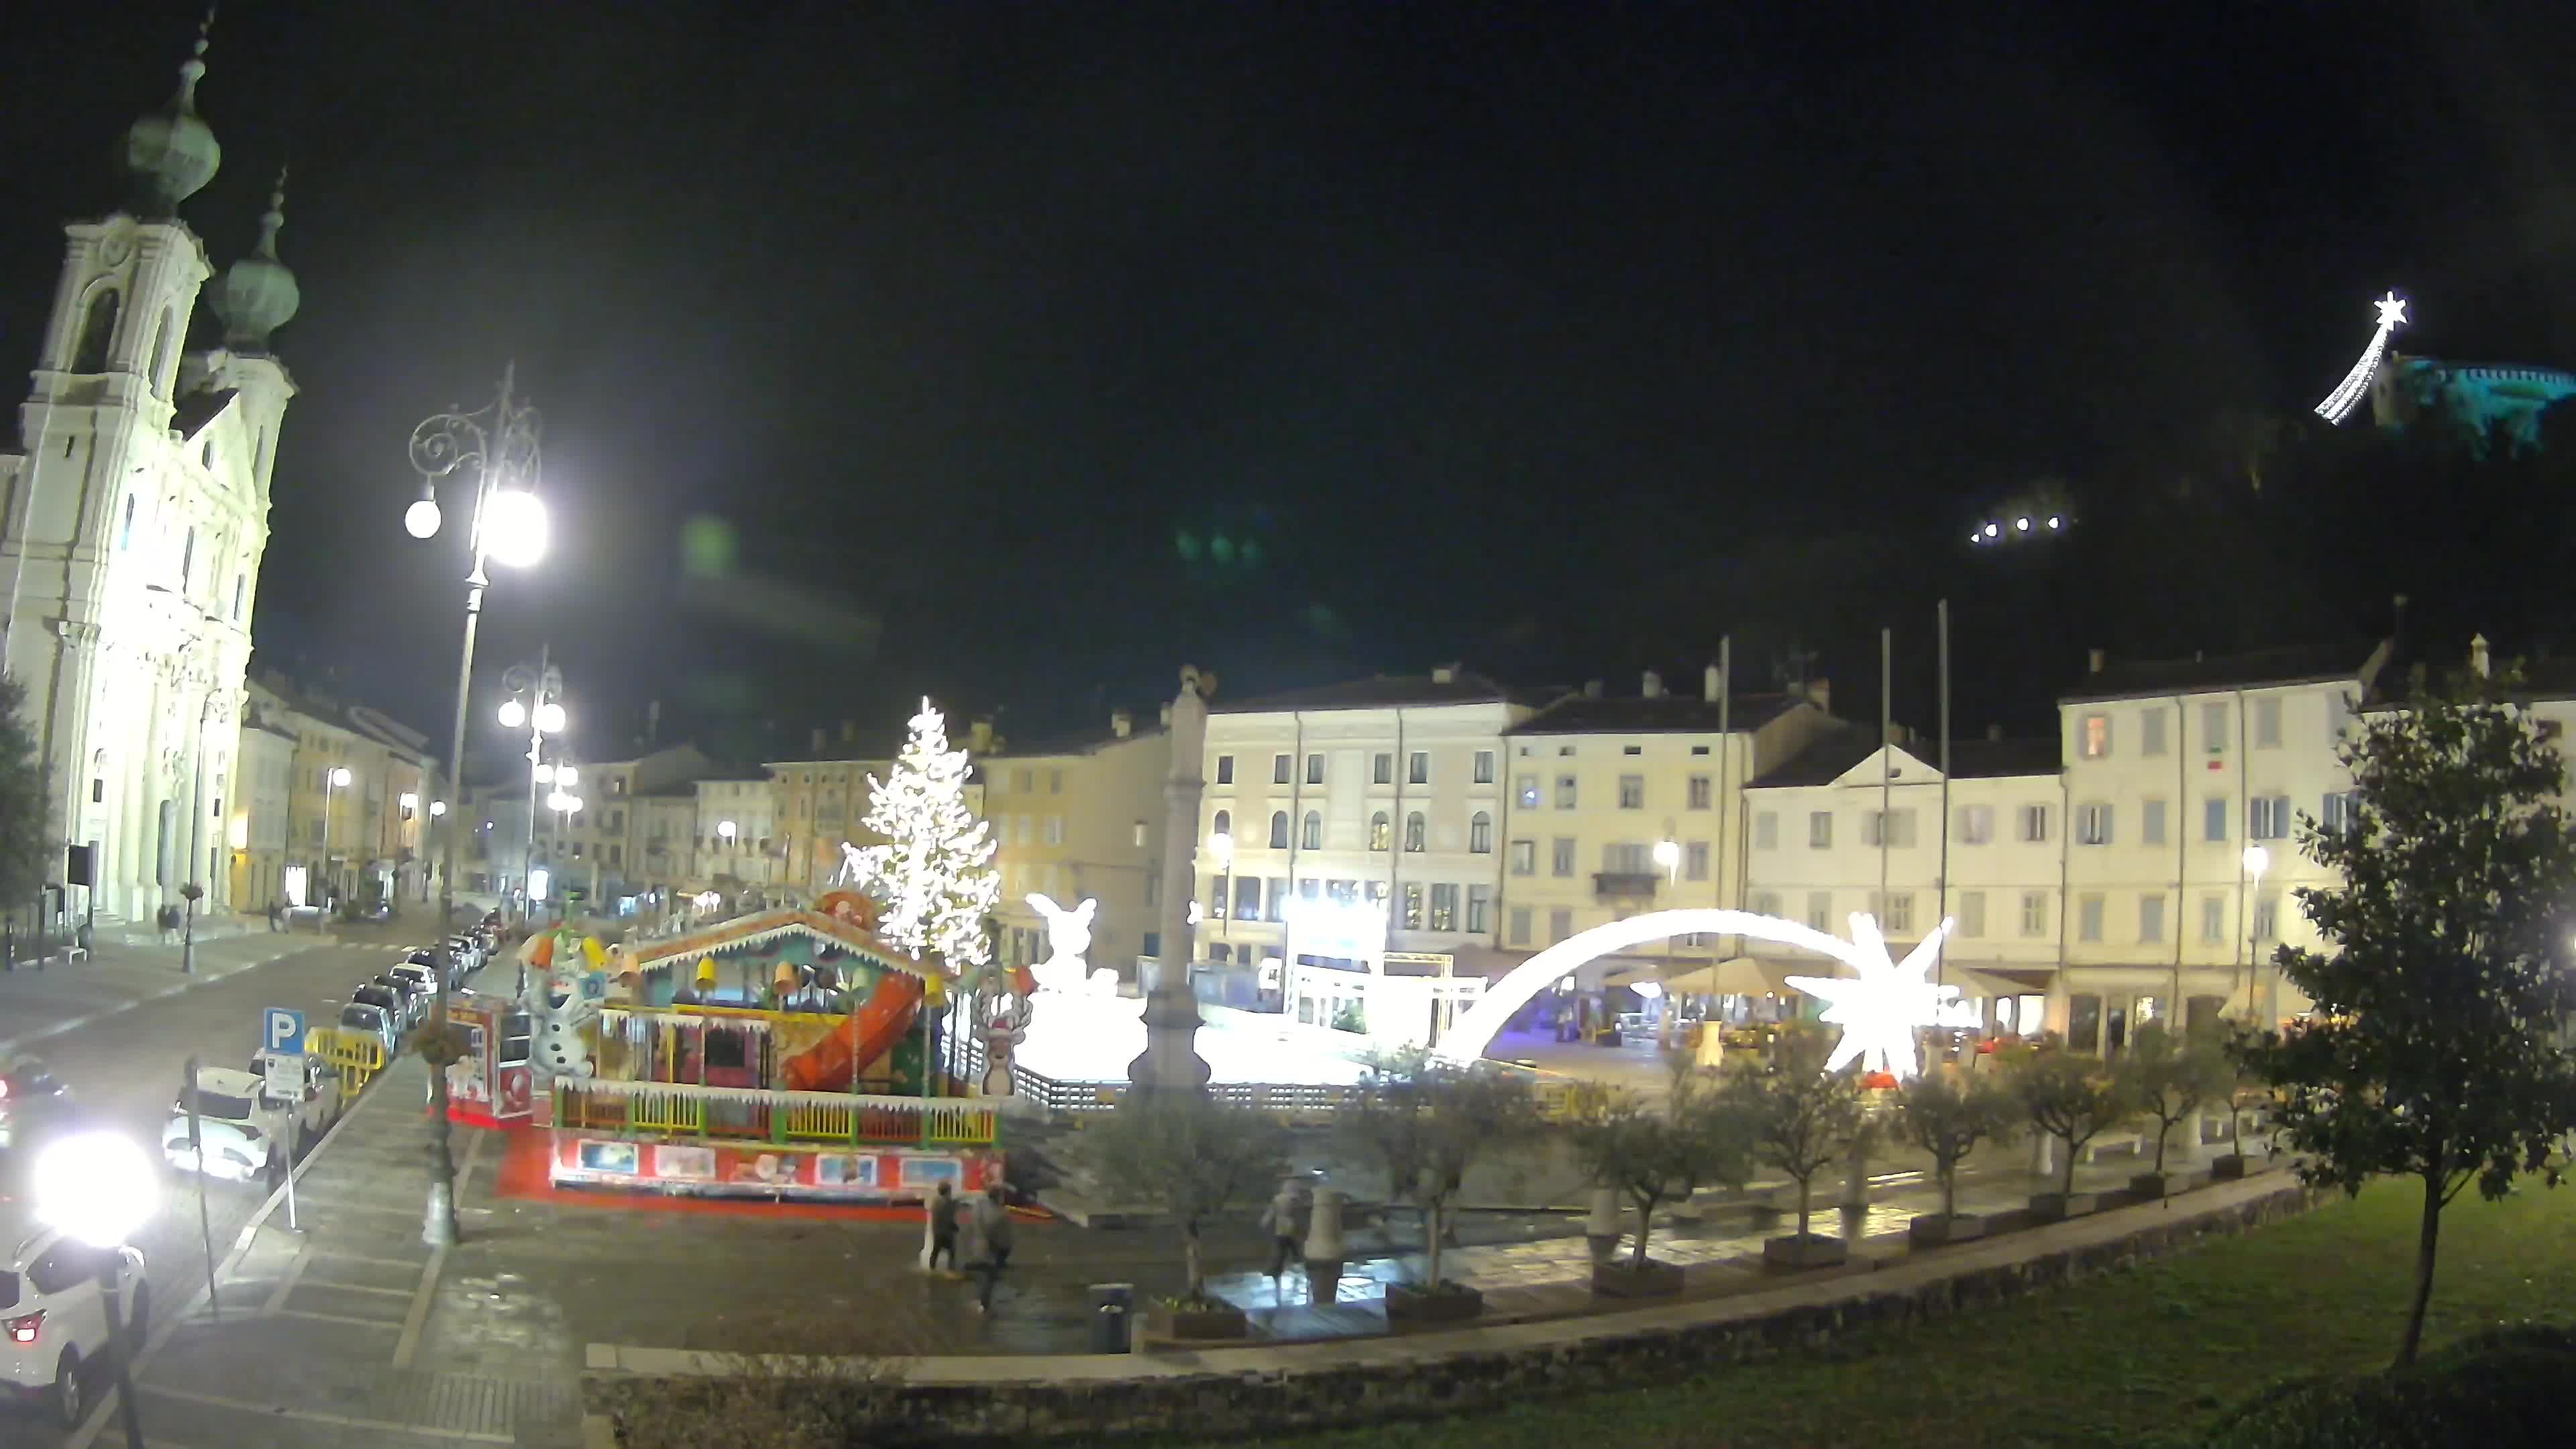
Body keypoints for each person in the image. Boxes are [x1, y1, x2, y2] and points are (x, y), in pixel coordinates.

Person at [970, 1181, 1014, 1311]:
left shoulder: (979, 1206)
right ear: (999, 1196)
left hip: (977, 1247)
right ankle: (984, 1306)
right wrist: (1005, 1251)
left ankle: (982, 1301)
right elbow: (1003, 1237)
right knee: (989, 1279)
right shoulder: (1002, 1213)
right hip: (992, 1250)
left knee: (983, 1276)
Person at [1262, 1181, 1307, 1281]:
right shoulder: (1294, 1199)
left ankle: (1275, 1270)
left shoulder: (1278, 1199)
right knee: (1290, 1249)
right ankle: (1278, 1270)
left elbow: (1271, 1212)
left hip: (1283, 1228)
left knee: (1284, 1249)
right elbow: (1299, 1213)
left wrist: (1265, 1221)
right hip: (1288, 1228)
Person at [927, 1181, 961, 1273]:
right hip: (945, 1232)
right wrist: (955, 1227)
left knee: (936, 1251)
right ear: (947, 1191)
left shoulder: (936, 1201)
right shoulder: (946, 1202)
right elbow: (948, 1216)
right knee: (951, 1252)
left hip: (937, 1231)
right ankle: (951, 1270)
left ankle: (932, 1269)